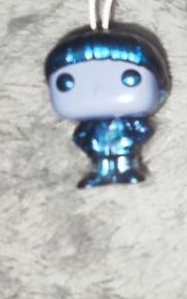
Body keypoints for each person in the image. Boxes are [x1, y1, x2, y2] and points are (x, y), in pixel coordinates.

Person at [45, 25, 169, 188]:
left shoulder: (128, 122)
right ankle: (100, 173)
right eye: (67, 82)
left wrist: (139, 132)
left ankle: (126, 170)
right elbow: (80, 135)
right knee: (100, 161)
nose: (98, 89)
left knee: (124, 159)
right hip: (98, 149)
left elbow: (143, 130)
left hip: (124, 147)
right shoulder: (90, 125)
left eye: (129, 77)